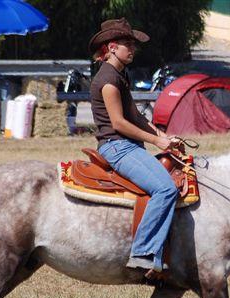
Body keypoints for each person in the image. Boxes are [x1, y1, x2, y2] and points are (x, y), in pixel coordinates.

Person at [88, 18, 179, 273]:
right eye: (128, 44)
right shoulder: (107, 80)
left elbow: (135, 116)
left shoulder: (120, 74)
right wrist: (156, 141)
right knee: (165, 190)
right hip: (117, 147)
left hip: (127, 145)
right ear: (113, 47)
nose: (133, 49)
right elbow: (118, 123)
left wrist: (163, 135)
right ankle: (143, 253)